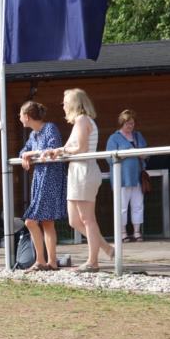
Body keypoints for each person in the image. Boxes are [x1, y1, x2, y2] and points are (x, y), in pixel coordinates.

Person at [47, 88, 113, 272]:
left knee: (87, 218)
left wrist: (62, 151)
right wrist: (56, 151)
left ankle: (93, 262)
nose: (63, 105)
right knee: (74, 220)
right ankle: (106, 248)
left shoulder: (83, 120)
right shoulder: (78, 122)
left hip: (85, 170)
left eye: (66, 102)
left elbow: (81, 148)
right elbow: (69, 146)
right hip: (76, 171)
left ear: (74, 103)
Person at [18, 101, 67, 271]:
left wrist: (29, 154)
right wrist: (25, 154)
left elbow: (52, 149)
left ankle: (42, 260)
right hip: (40, 178)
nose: (19, 118)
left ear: (27, 116)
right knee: (46, 222)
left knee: (31, 221)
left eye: (20, 115)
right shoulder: (33, 135)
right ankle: (49, 262)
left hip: (51, 178)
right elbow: (24, 150)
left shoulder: (50, 128)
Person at [106, 110, 149, 242]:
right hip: (122, 178)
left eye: (132, 123)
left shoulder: (138, 136)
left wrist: (137, 152)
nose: (130, 126)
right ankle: (123, 233)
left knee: (138, 205)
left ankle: (137, 232)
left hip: (137, 178)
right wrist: (126, 153)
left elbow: (146, 154)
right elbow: (109, 158)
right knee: (122, 206)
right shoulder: (114, 138)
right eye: (127, 124)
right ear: (122, 123)